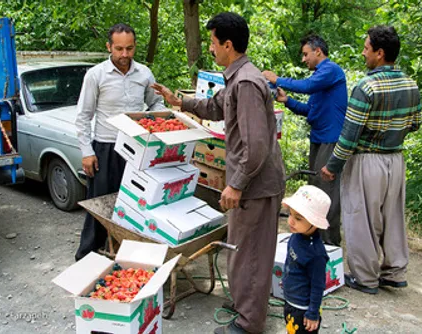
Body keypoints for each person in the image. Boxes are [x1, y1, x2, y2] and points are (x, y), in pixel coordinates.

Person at [153, 12, 285, 334]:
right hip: (250, 182)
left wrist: (236, 185)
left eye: (212, 43)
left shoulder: (248, 83)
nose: (210, 49)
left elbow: (256, 147)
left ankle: (249, 323)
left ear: (228, 44)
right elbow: (215, 108)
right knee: (241, 249)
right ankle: (244, 304)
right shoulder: (236, 78)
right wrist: (179, 101)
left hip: (256, 185)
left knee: (251, 253)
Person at [321, 26, 422, 294]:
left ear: (380, 53)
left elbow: (349, 135)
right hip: (396, 160)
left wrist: (332, 166)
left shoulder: (366, 87)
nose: (363, 52)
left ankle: (365, 278)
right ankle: (395, 271)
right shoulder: (411, 85)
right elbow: (415, 124)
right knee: (393, 217)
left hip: (367, 160)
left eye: (367, 47)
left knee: (361, 218)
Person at [74, 23, 165, 261]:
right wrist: (86, 151)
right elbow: (83, 116)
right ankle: (88, 258)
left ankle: (131, 258)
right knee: (100, 206)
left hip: (137, 149)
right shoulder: (96, 75)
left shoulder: (144, 74)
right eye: (119, 49)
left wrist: (152, 124)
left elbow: (156, 104)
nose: (125, 55)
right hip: (105, 148)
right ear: (109, 47)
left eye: (130, 49)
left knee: (135, 204)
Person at [263, 35, 347, 246]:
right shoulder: (321, 78)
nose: (303, 59)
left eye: (305, 54)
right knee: (315, 192)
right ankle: (314, 240)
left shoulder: (330, 70)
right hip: (318, 139)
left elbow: (307, 86)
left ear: (318, 51)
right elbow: (310, 110)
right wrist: (286, 100)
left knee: (325, 194)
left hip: (331, 140)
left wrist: (276, 79)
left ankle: (329, 244)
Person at [281, 185, 330, 334]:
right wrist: (286, 278)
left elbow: (318, 285)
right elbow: (290, 260)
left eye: (298, 218)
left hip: (303, 310)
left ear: (315, 223)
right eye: (290, 214)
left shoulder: (316, 254)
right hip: (290, 300)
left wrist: (312, 313)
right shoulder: (296, 236)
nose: (291, 221)